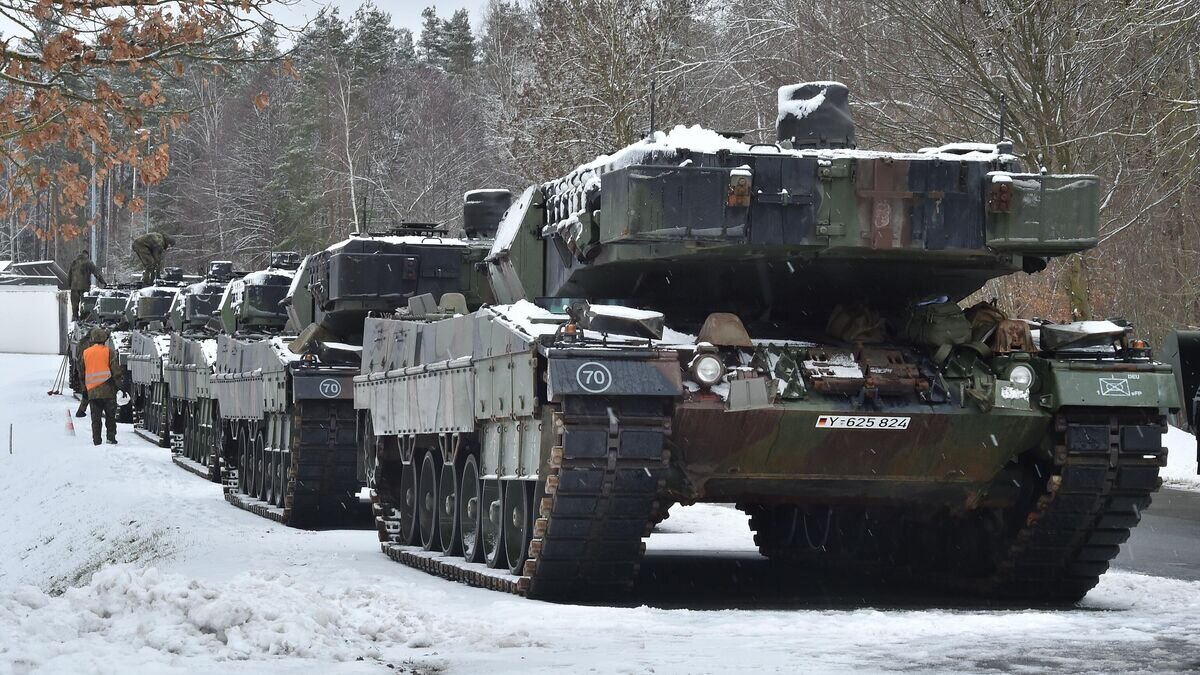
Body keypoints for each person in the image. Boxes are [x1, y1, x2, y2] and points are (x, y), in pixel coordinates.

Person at [78, 327, 122, 445]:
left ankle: (96, 439)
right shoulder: (109, 352)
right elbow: (116, 371)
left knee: (95, 418)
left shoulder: (86, 353)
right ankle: (111, 437)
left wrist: (84, 389)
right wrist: (120, 387)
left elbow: (81, 373)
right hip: (108, 390)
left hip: (92, 391)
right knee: (110, 416)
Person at [66, 250, 106, 320]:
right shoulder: (88, 262)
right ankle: (83, 319)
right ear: (87, 255)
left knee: (74, 305)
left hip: (74, 287)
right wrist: (103, 282)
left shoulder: (74, 262)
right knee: (84, 304)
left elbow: (69, 274)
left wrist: (70, 284)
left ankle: (75, 318)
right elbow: (96, 273)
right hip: (84, 287)